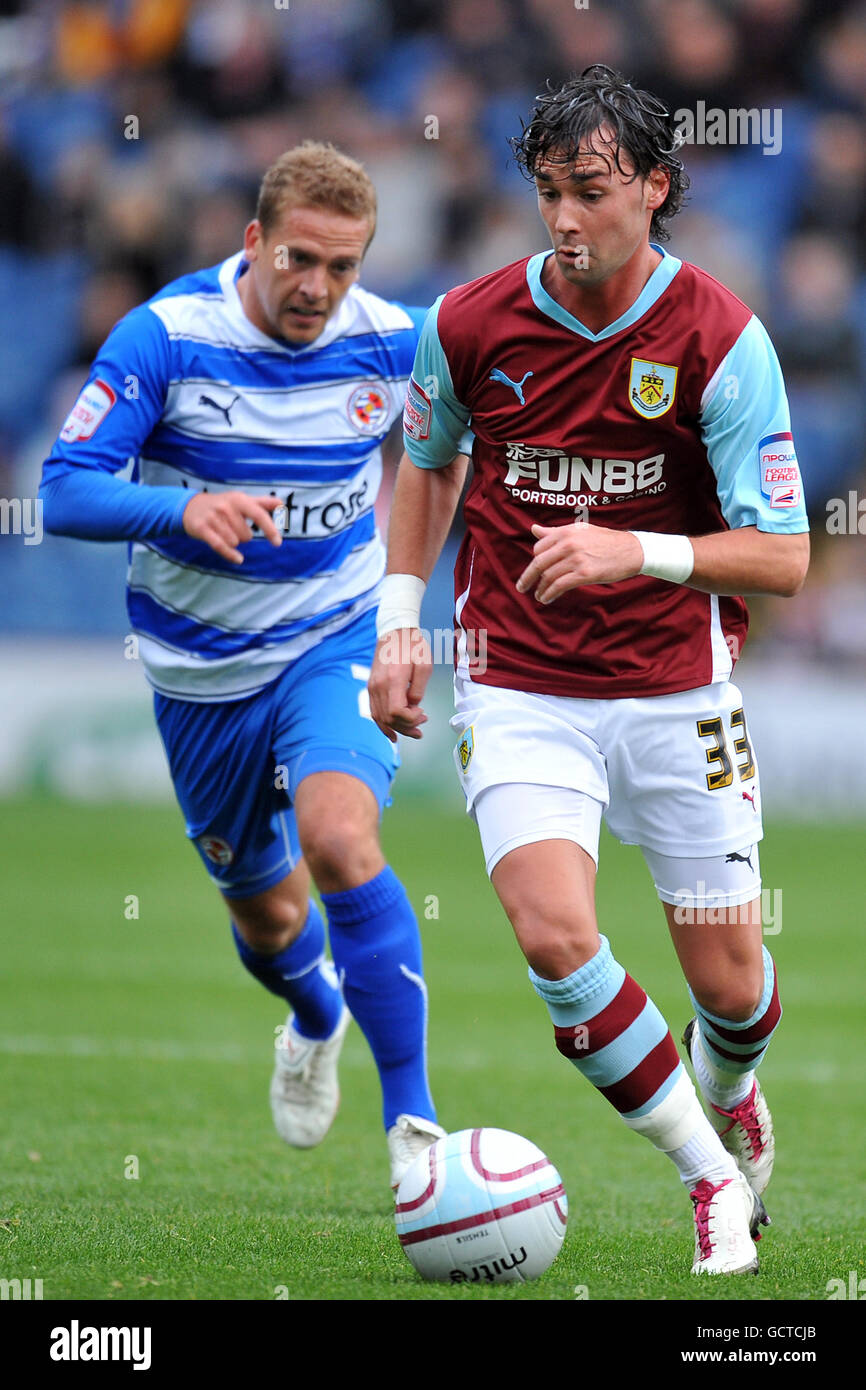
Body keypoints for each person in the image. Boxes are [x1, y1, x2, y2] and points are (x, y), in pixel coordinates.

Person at [369, 66, 810, 1273]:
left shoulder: (721, 337)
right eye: (549, 193)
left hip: (677, 693)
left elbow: (780, 555)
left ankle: (729, 1084)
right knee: (554, 936)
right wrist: (399, 616)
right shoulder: (464, 323)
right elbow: (425, 461)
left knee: (730, 989)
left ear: (656, 188)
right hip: (518, 689)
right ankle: (708, 1177)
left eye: (592, 192)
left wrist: (636, 551)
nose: (564, 220)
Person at [39, 141, 450, 1191]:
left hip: (334, 635)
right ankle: (313, 1013)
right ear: (253, 240)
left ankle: (414, 1130)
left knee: (340, 836)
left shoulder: (391, 340)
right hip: (201, 671)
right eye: (299, 259)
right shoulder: (168, 338)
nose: (318, 288)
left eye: (343, 266)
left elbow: (467, 433)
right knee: (268, 920)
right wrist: (181, 508)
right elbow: (67, 488)